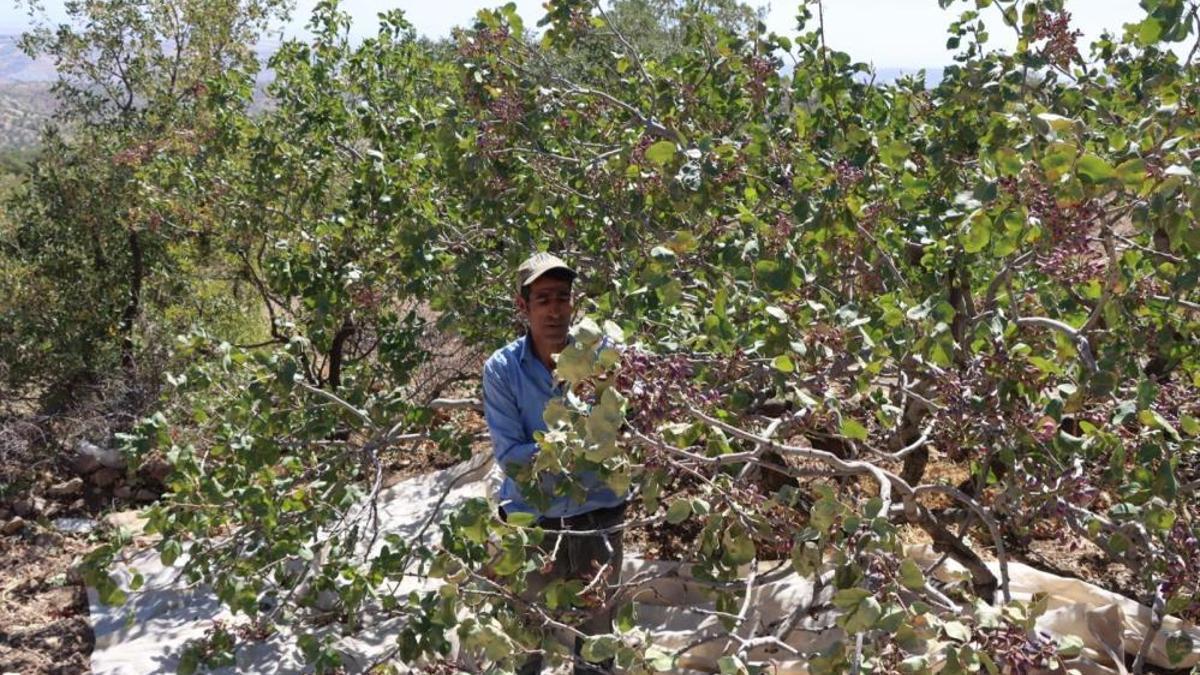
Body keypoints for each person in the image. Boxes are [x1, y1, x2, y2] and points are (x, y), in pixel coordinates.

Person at [481, 252, 627, 675]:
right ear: (523, 306)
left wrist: (574, 444)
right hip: (532, 522)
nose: (554, 309)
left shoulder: (603, 356)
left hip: (598, 514)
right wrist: (578, 443)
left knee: (597, 643)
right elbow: (511, 458)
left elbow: (624, 429)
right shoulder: (503, 370)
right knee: (525, 640)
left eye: (562, 297)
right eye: (543, 299)